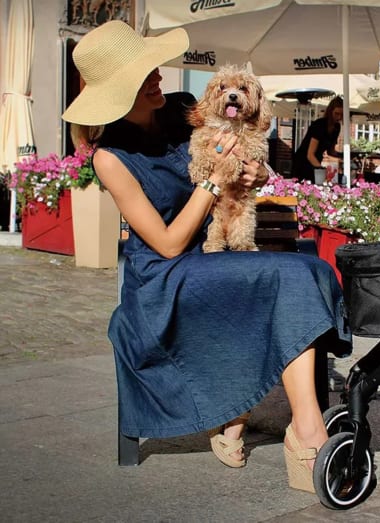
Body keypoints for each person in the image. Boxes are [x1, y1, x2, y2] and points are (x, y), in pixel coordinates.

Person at [62, 21, 351, 494]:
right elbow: (167, 243)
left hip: (218, 254)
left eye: (153, 67)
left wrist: (255, 174)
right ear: (119, 91)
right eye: (145, 74)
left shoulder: (183, 110)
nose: (158, 75)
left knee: (311, 267)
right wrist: (214, 179)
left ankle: (264, 418)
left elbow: (245, 155)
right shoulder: (110, 158)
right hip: (167, 277)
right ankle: (299, 431)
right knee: (290, 278)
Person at [291, 97, 343, 183]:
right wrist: (321, 169)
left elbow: (331, 151)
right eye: (336, 114)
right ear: (330, 112)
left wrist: (345, 156)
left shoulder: (337, 127)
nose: (339, 117)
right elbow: (310, 155)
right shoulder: (319, 125)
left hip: (316, 162)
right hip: (302, 162)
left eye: (341, 114)